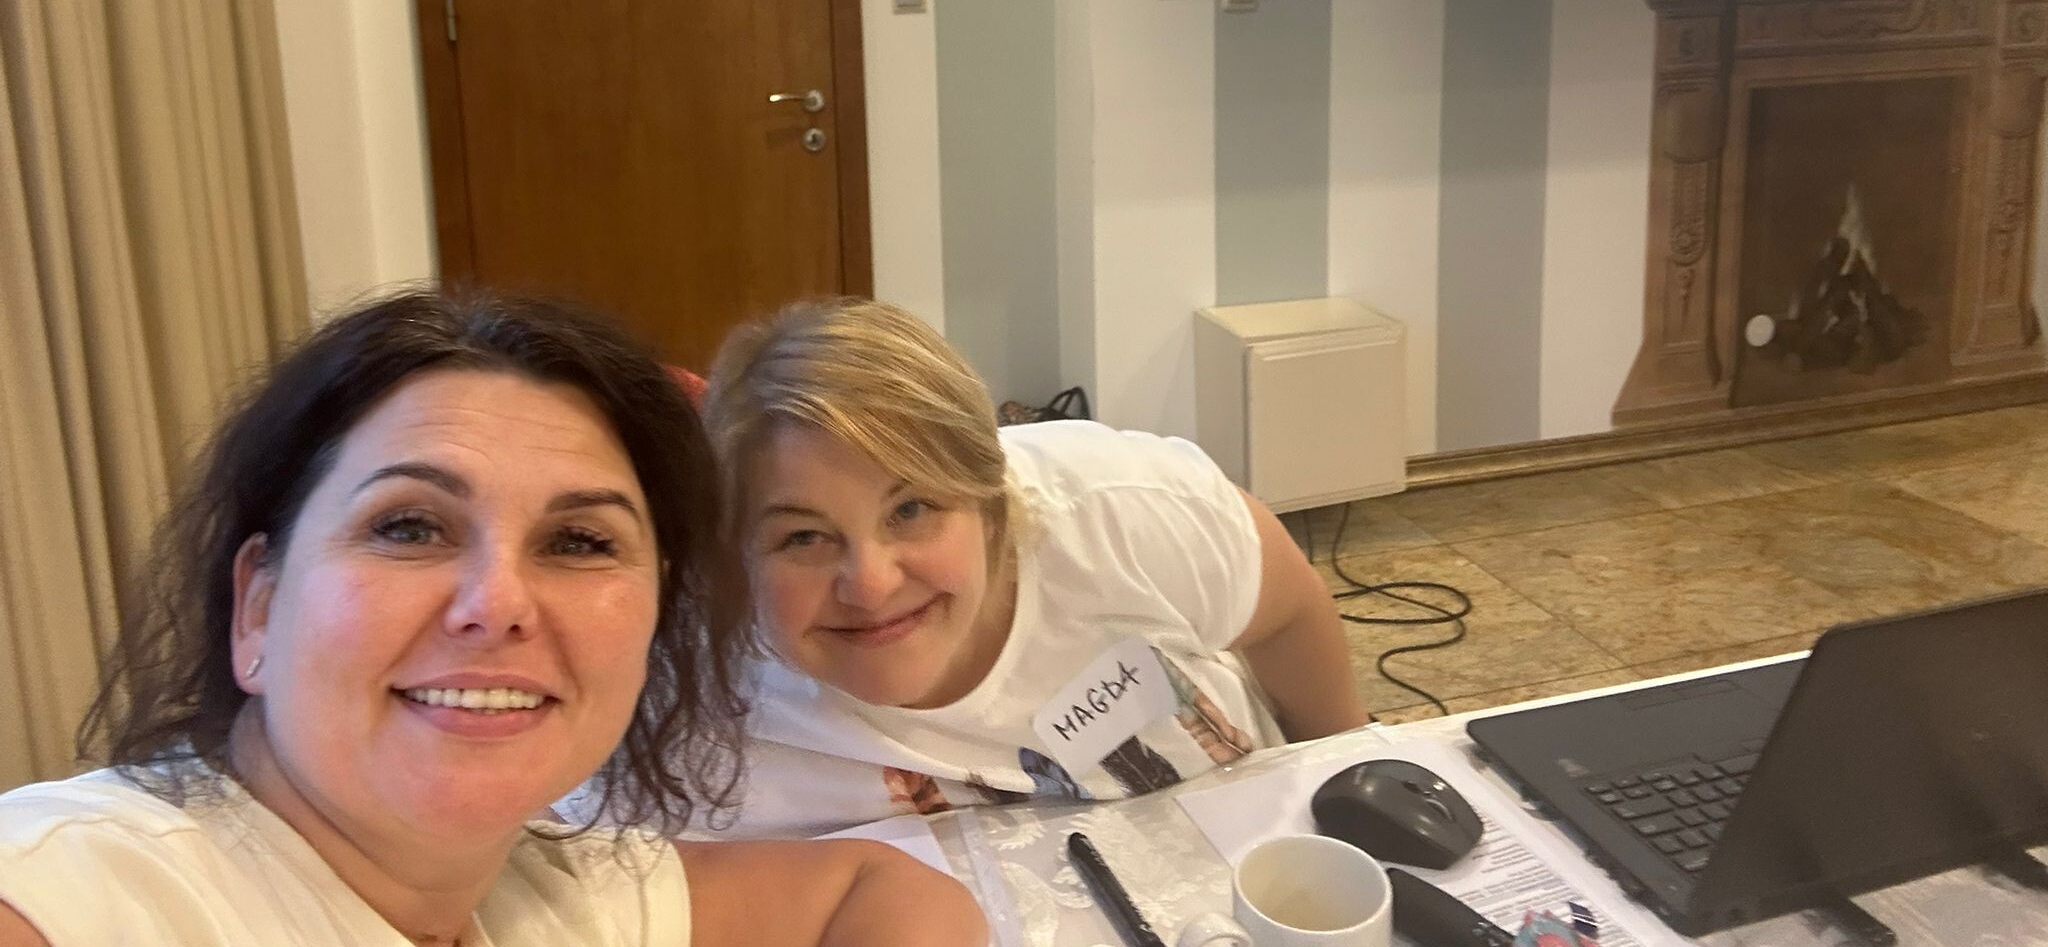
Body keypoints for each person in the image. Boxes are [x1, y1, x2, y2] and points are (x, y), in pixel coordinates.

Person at [0, 290, 985, 947]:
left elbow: (885, 893)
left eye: (579, 542)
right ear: (258, 607)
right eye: (410, 527)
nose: (499, 604)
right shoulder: (78, 899)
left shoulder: (558, 900)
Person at [696, 297, 1371, 837]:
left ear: (991, 505)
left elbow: (1289, 608)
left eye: (911, 509)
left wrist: (1353, 789)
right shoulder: (696, 693)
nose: (870, 584)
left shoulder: (1121, 511)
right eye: (804, 538)